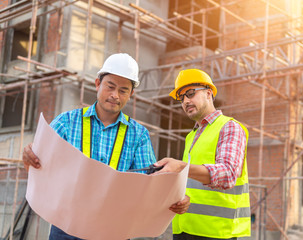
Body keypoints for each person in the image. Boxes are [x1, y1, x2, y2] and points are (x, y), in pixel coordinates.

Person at [22, 53, 190, 240]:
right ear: (97, 84)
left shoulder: (138, 135)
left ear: (131, 94)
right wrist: (29, 158)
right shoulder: (66, 122)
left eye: (123, 91)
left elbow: (150, 184)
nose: (115, 95)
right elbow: (39, 169)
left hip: (113, 231)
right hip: (66, 227)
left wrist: (175, 199)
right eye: (110, 87)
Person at [155, 69, 251, 239]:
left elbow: (228, 174)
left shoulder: (229, 127)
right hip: (184, 228)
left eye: (190, 93)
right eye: (181, 97)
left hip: (216, 233)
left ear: (208, 94)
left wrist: (181, 167)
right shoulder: (191, 136)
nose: (185, 101)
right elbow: (191, 182)